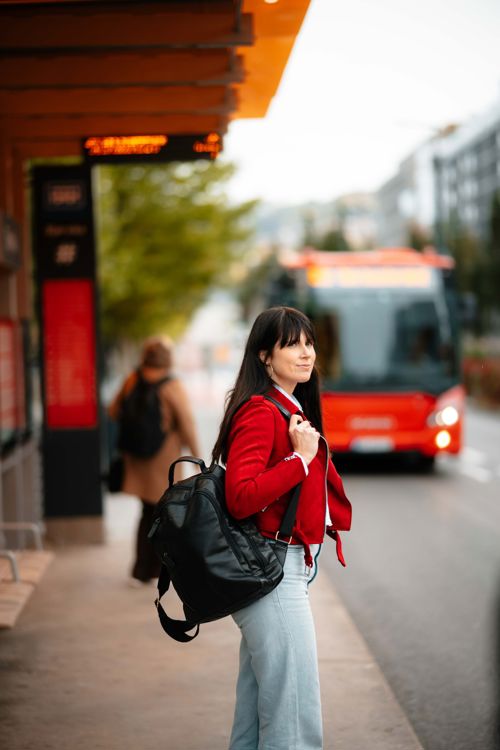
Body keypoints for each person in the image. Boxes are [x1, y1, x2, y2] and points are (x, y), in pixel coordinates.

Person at [212, 306, 352, 750]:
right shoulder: (261, 411)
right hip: (274, 575)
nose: (306, 353)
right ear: (264, 356)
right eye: (292, 344)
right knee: (293, 717)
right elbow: (241, 495)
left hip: (283, 568)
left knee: (257, 715)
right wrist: (299, 460)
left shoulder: (287, 408)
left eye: (309, 342)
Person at [109, 336, 200, 586]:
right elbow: (187, 423)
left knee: (148, 512)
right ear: (167, 359)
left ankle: (143, 569)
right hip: (163, 460)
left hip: (136, 459)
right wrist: (195, 455)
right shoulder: (171, 384)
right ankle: (155, 570)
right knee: (164, 514)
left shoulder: (133, 378)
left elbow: (113, 410)